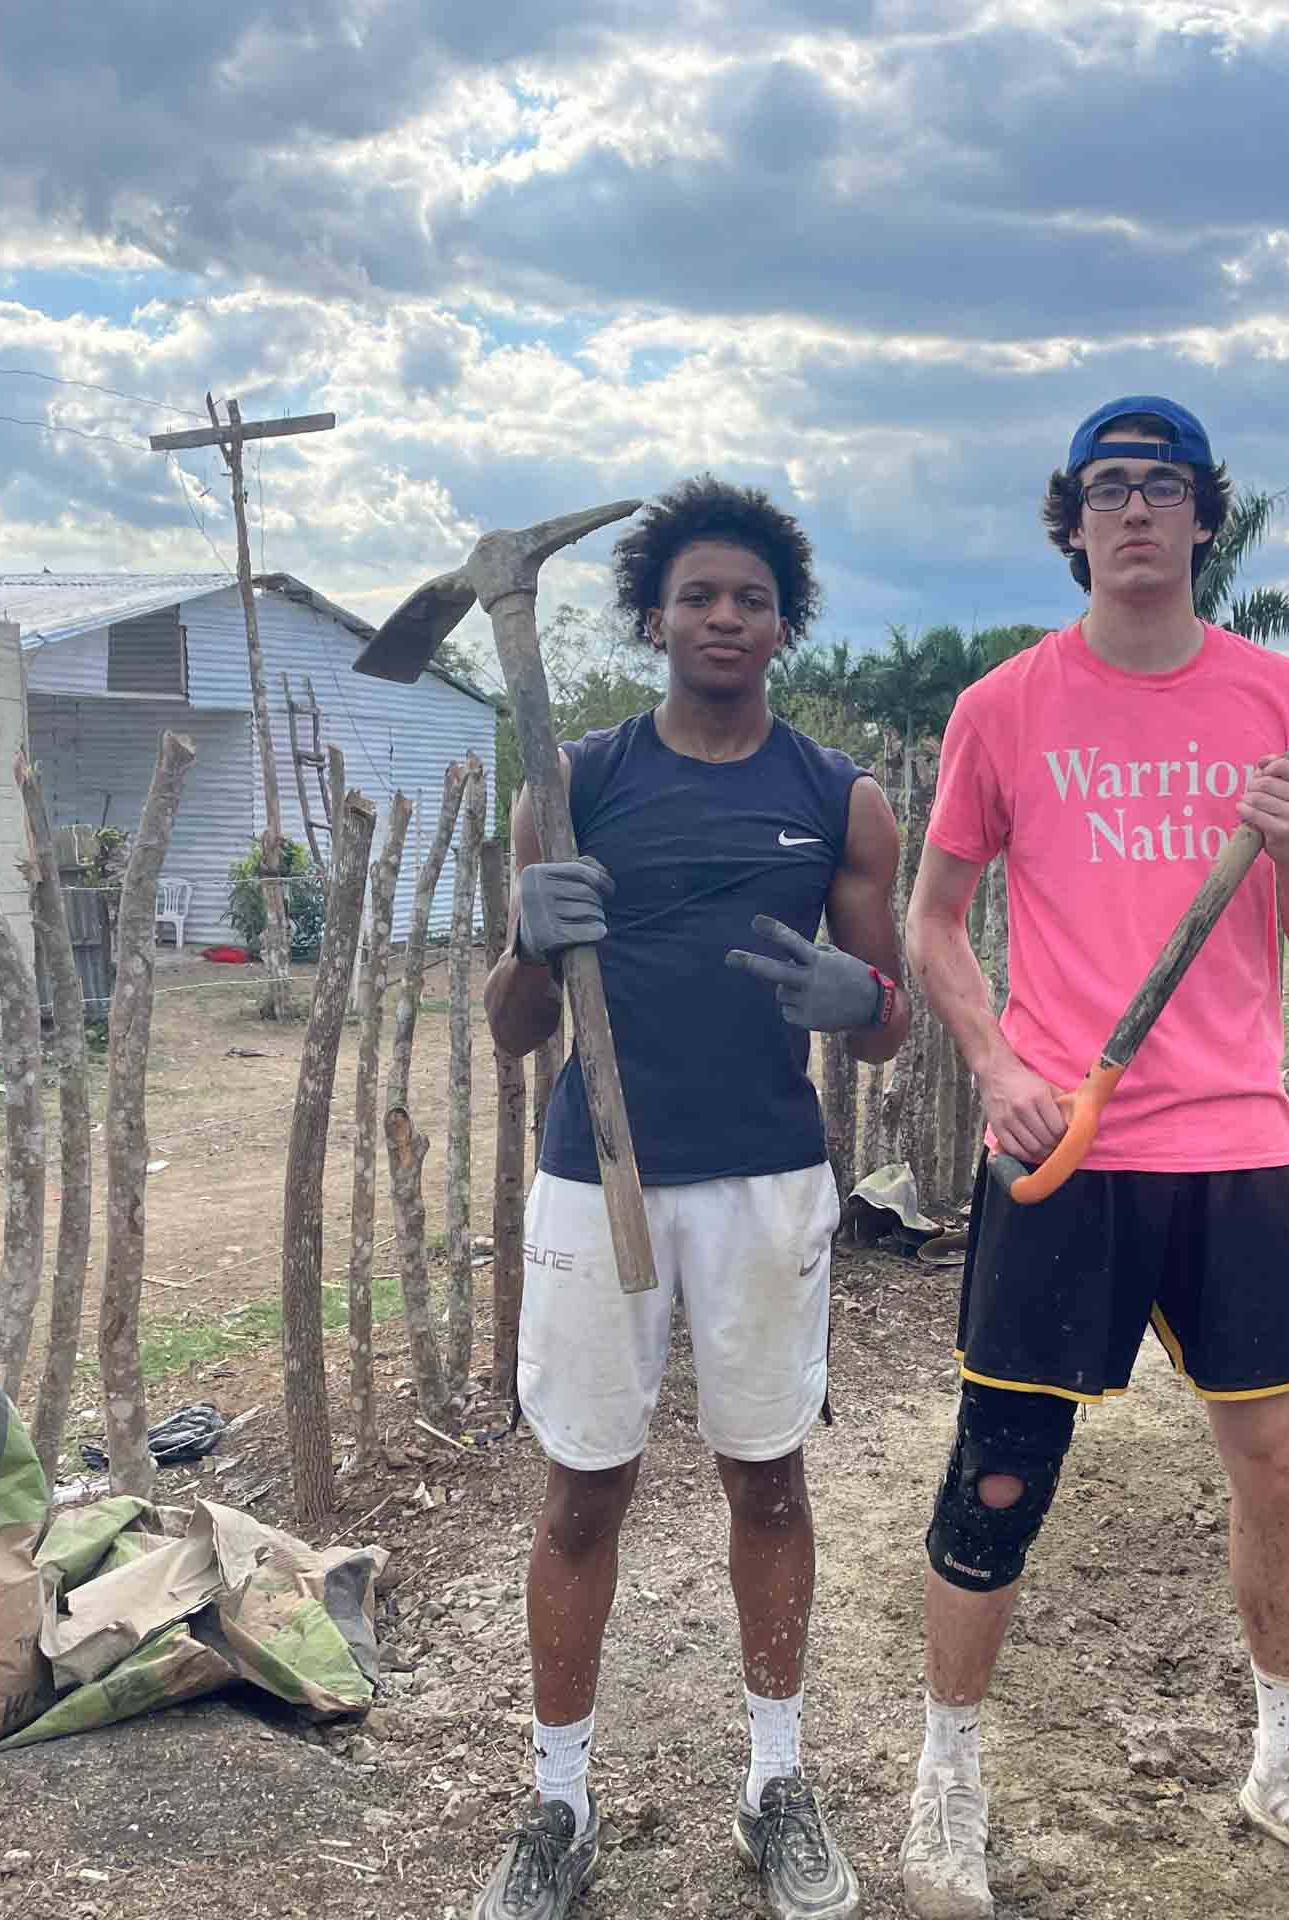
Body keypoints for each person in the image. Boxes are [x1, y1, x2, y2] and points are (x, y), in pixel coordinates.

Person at [895, 398, 1289, 1914]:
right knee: (1000, 1473)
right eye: (1107, 489)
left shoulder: (1287, 702)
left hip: (1233, 1140)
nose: (1134, 511)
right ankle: (947, 1777)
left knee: (1281, 1465)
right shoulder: (1004, 707)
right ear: (1072, 523)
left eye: (1162, 488)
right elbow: (934, 924)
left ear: (1202, 520)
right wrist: (1000, 1066)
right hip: (1068, 1143)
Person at [477, 476, 909, 1920]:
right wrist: (528, 942)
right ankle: (558, 1803)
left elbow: (888, 1020)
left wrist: (864, 999)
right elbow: (511, 1027)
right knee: (583, 1491)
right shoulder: (574, 787)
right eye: (699, 596)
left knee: (767, 1477)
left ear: (786, 626)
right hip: (596, 1174)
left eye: (753, 599)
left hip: (766, 1183)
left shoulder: (837, 800)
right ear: (653, 620)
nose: (726, 617)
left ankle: (776, 1780)